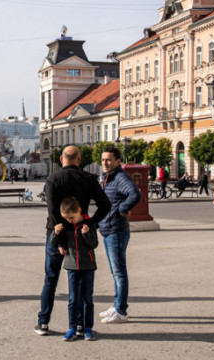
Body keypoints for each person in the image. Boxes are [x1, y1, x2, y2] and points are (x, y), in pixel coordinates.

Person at [35, 145, 111, 336]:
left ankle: (43, 322)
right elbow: (105, 204)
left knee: (51, 278)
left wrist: (59, 241)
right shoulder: (88, 178)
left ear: (62, 159)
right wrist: (91, 223)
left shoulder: (53, 179)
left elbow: (52, 212)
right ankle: (80, 326)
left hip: (58, 234)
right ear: (79, 160)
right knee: (80, 283)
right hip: (80, 236)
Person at [98, 146, 141, 325]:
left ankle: (121, 311)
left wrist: (122, 209)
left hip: (116, 230)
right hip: (109, 229)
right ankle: (117, 305)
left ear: (117, 161)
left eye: (109, 160)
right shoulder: (109, 177)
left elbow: (135, 194)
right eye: (103, 160)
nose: (105, 163)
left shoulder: (120, 177)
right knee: (115, 271)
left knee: (119, 272)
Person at [51, 197, 99, 341]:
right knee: (73, 299)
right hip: (72, 265)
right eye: (67, 218)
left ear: (79, 211)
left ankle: (88, 327)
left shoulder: (88, 223)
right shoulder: (66, 226)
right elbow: (57, 242)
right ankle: (73, 327)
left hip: (88, 265)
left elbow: (94, 244)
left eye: (71, 217)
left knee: (87, 299)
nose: (69, 221)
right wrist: (56, 233)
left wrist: (86, 234)